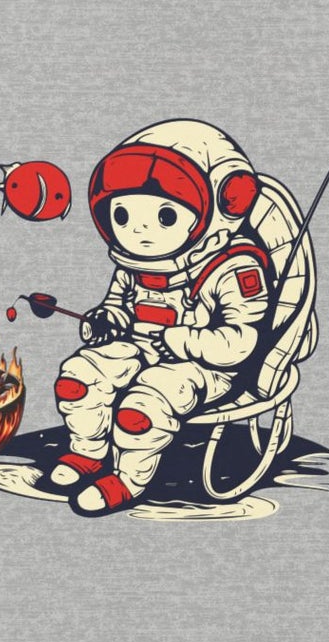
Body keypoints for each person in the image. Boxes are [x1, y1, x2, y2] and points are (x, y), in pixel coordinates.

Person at [50, 119, 282, 514]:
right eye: (122, 215)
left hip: (205, 366)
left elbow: (241, 343)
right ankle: (88, 451)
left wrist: (181, 339)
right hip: (142, 347)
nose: (138, 231)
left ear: (221, 207)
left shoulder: (234, 269)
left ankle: (128, 479)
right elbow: (119, 304)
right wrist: (106, 319)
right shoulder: (135, 264)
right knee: (79, 378)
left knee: (143, 406)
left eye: (165, 217)